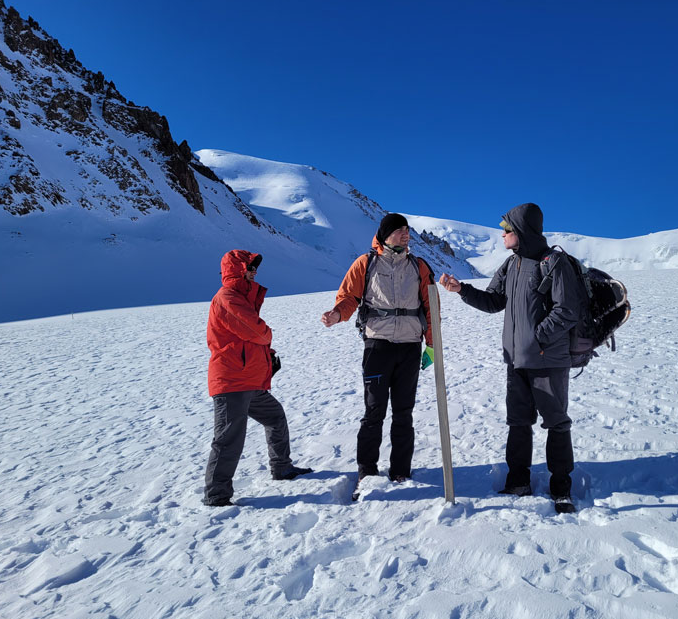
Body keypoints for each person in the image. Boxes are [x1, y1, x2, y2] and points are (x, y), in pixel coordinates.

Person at [439, 203, 579, 513]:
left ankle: (561, 488)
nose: (502, 234)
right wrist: (461, 290)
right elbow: (493, 302)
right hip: (516, 360)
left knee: (556, 422)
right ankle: (518, 481)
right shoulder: (511, 265)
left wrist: (536, 338)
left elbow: (567, 310)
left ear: (522, 230)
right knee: (518, 421)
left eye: (507, 228)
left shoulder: (553, 263)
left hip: (547, 360)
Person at [321, 213, 435, 487]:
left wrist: (432, 345)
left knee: (404, 412)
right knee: (374, 412)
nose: (406, 235)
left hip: (409, 346)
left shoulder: (418, 266)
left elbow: (431, 306)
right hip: (378, 345)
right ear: (385, 234)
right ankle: (367, 470)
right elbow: (349, 296)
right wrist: (338, 314)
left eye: (407, 230)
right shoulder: (366, 263)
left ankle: (400, 470)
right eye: (399, 230)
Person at [203, 249, 311, 506]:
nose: (254, 272)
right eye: (250, 268)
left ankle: (282, 467)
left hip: (248, 380)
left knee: (275, 417)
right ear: (238, 270)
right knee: (229, 438)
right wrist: (268, 336)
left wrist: (267, 356)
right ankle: (216, 495)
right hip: (232, 381)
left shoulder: (240, 297)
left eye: (255, 268)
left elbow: (249, 339)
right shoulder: (228, 298)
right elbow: (257, 332)